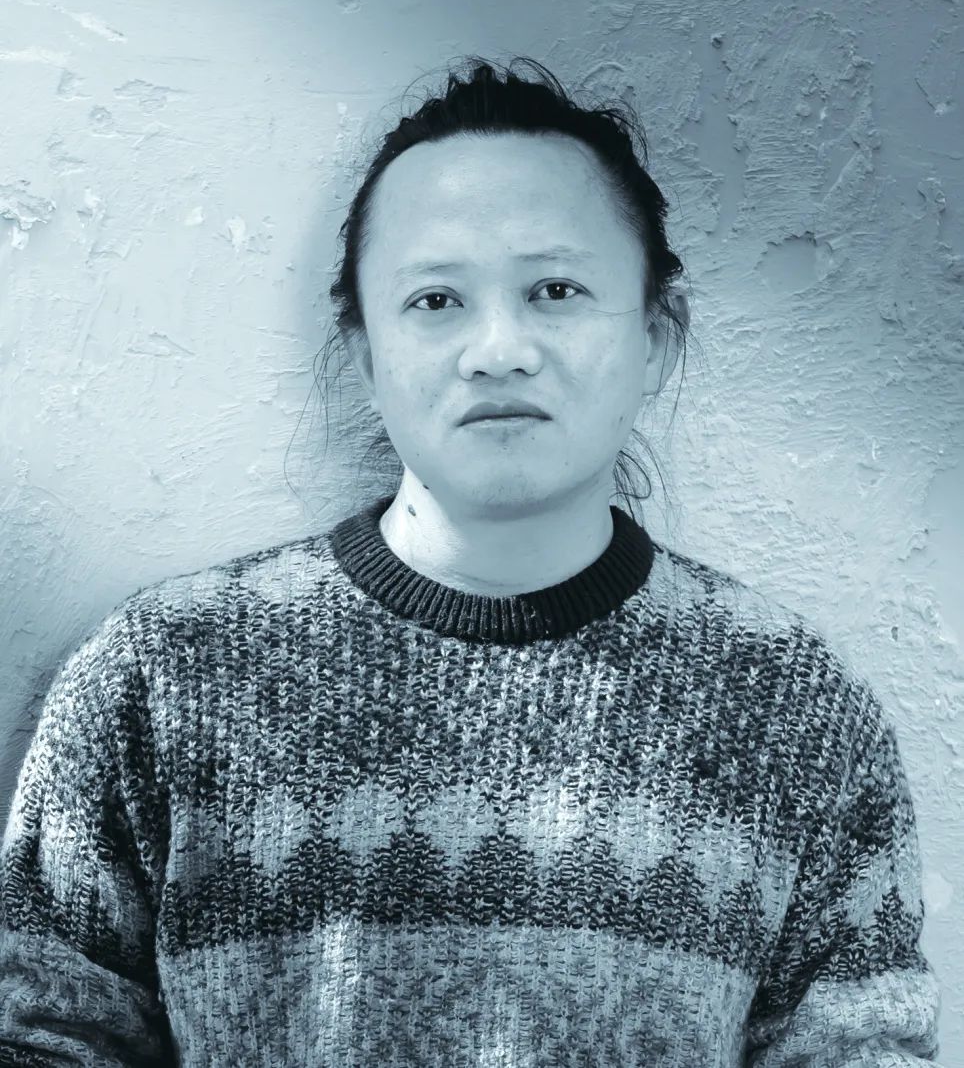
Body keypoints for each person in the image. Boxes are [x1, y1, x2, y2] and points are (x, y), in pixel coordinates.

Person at [0, 56, 941, 1065]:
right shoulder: (167, 674)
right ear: (365, 356)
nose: (498, 349)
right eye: (436, 299)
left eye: (555, 289)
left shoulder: (791, 708)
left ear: (656, 340)